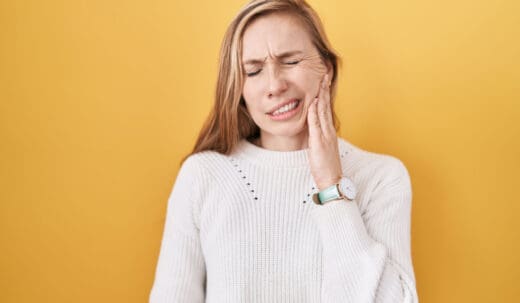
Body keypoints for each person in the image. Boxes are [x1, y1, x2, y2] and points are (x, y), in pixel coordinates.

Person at [149, 0, 418, 302]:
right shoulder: (203, 176)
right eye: (253, 71)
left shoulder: (381, 177)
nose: (274, 85)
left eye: (290, 62)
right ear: (238, 89)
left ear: (325, 69)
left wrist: (331, 185)